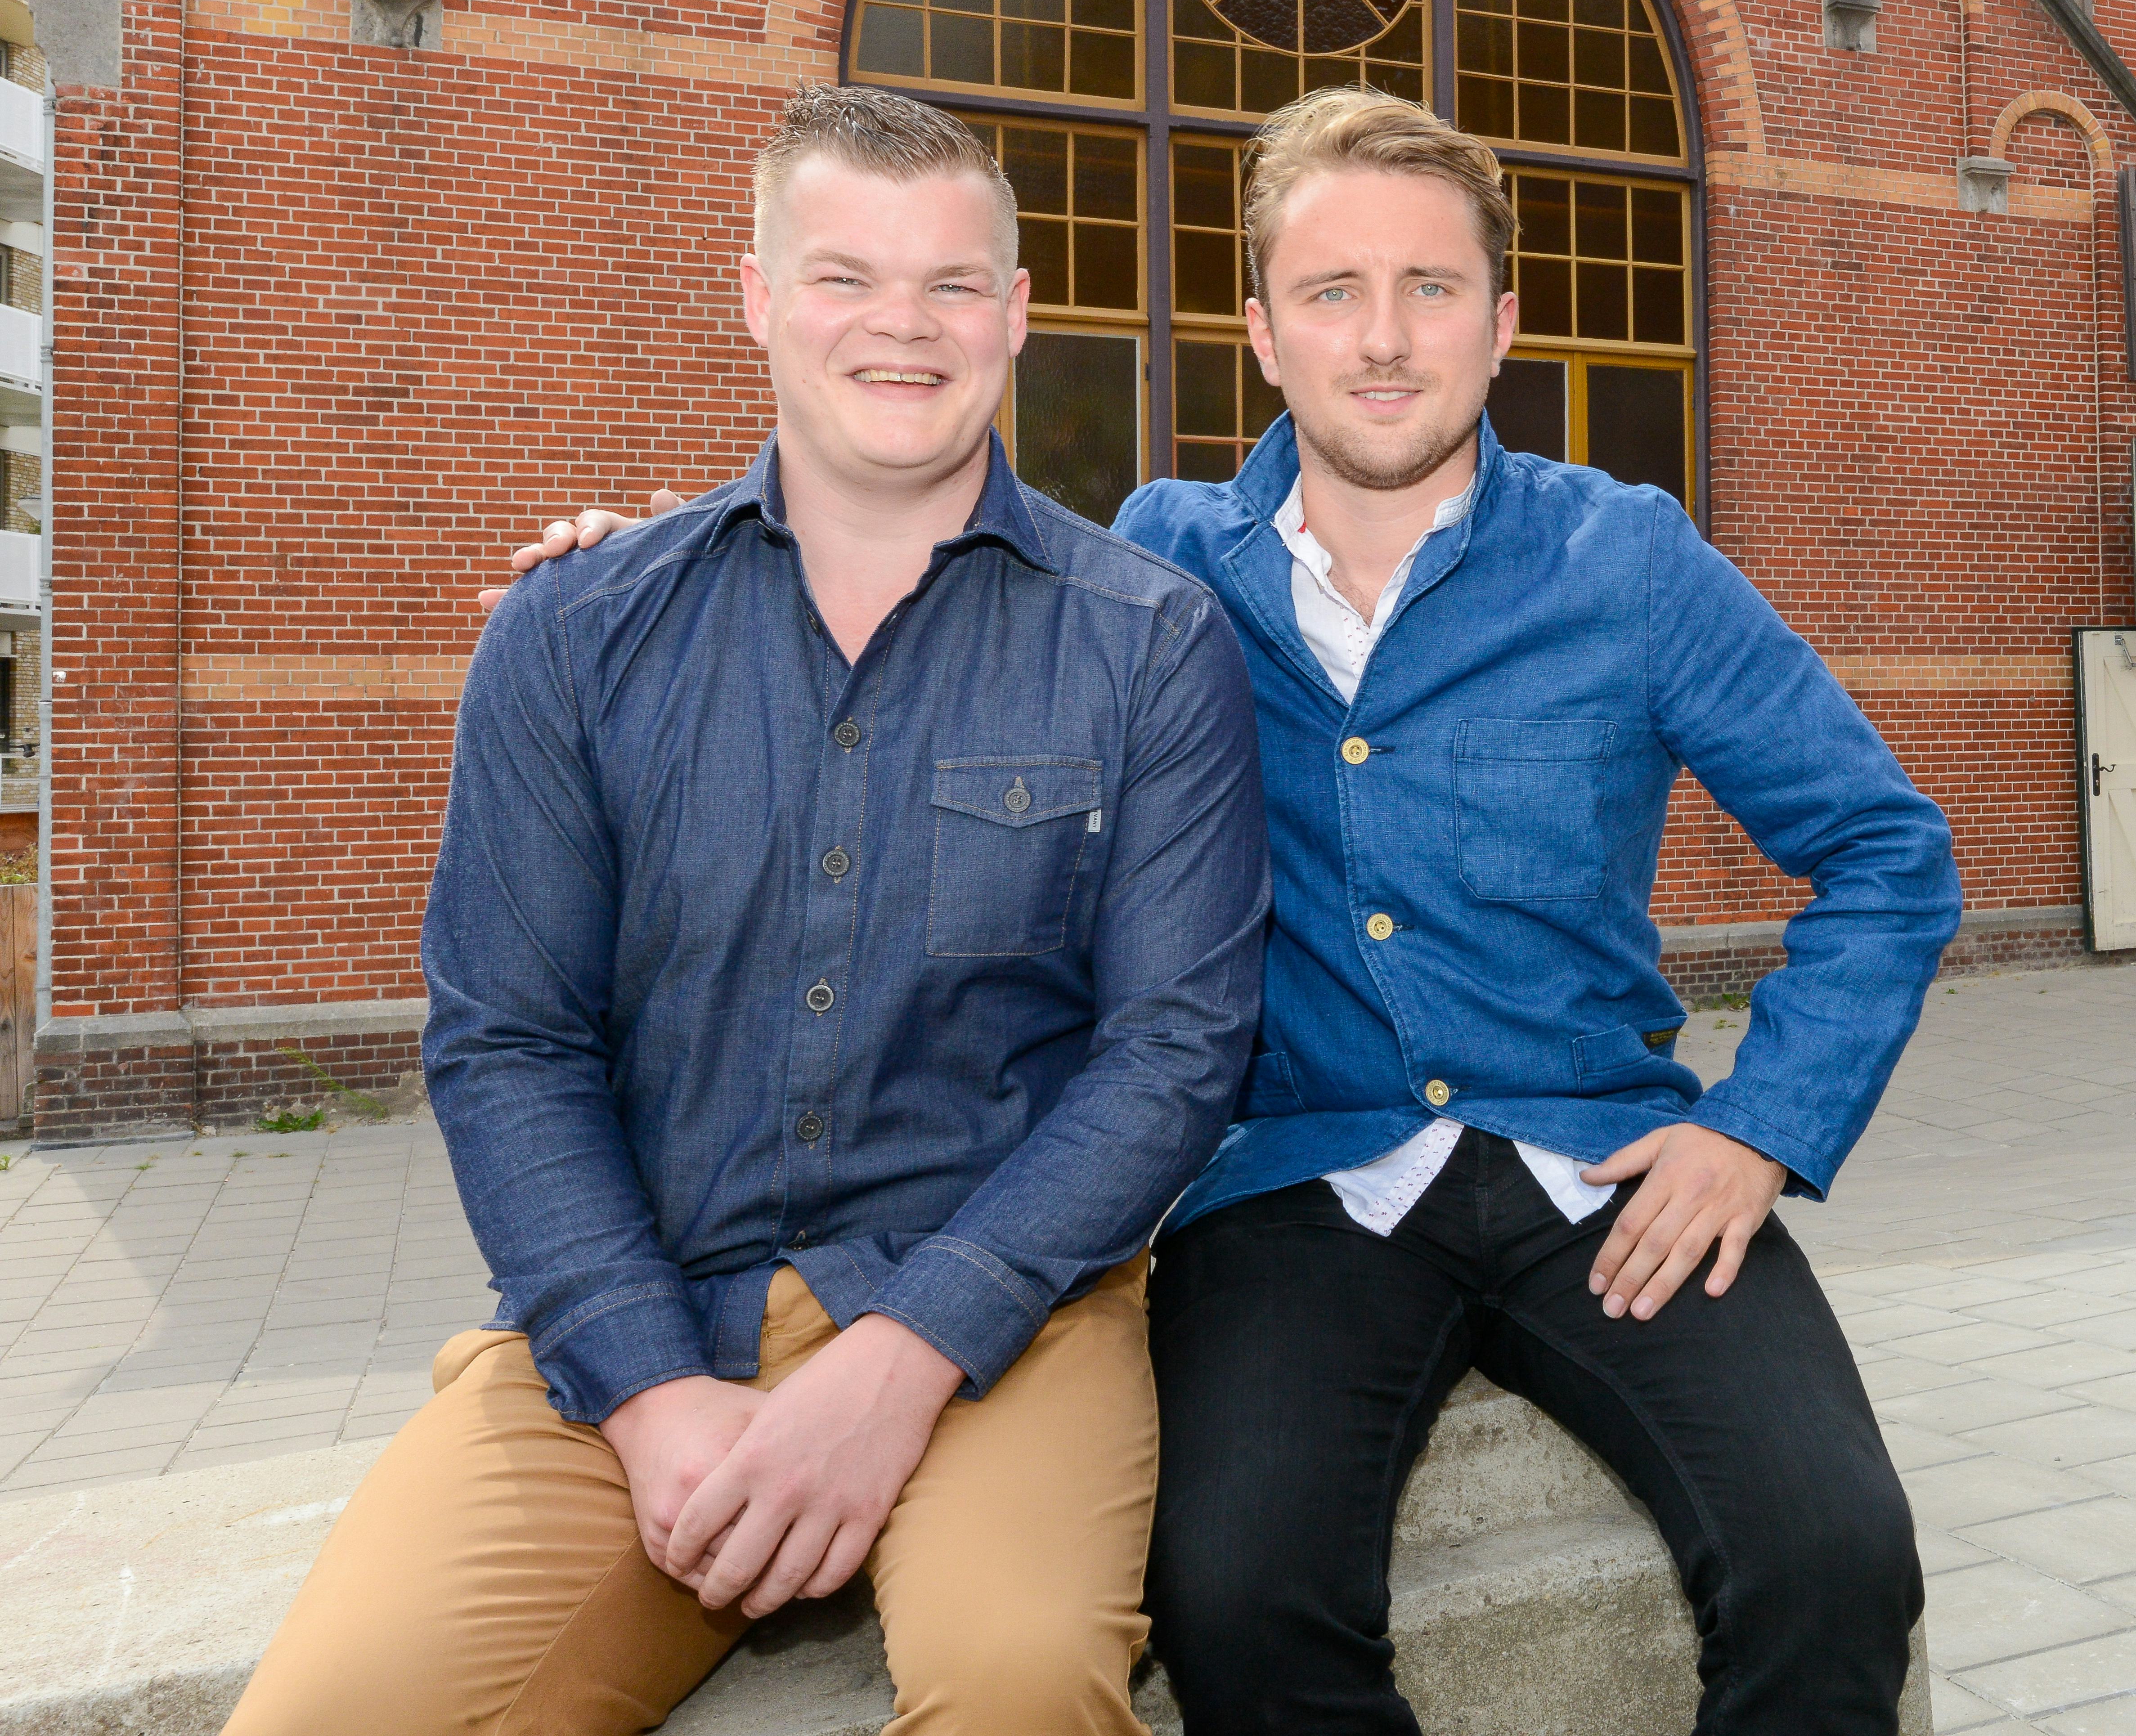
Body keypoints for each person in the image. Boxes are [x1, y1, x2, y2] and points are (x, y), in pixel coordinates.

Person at [505, 85, 1959, 1735]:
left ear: (1503, 322)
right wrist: (666, 564)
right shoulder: (1163, 563)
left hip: (1603, 1161)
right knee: (1238, 1596)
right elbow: (912, 564)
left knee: (1837, 1557)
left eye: (1430, 290)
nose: (1385, 341)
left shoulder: (1629, 562)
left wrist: (1756, 1127)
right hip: (1289, 1180)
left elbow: (1887, 854)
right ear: (1260, 332)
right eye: (1332, 293)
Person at [234, 85, 1269, 1736]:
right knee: (327, 1717)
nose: (900, 329)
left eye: (948, 285)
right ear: (759, 298)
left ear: (1013, 315)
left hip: (1006, 1309)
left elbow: (1175, 1051)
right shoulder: (576, 632)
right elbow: (508, 1041)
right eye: (846, 275)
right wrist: (648, 1391)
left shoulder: (1149, 643)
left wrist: (906, 1352)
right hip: (638, 1301)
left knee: (1016, 1688)